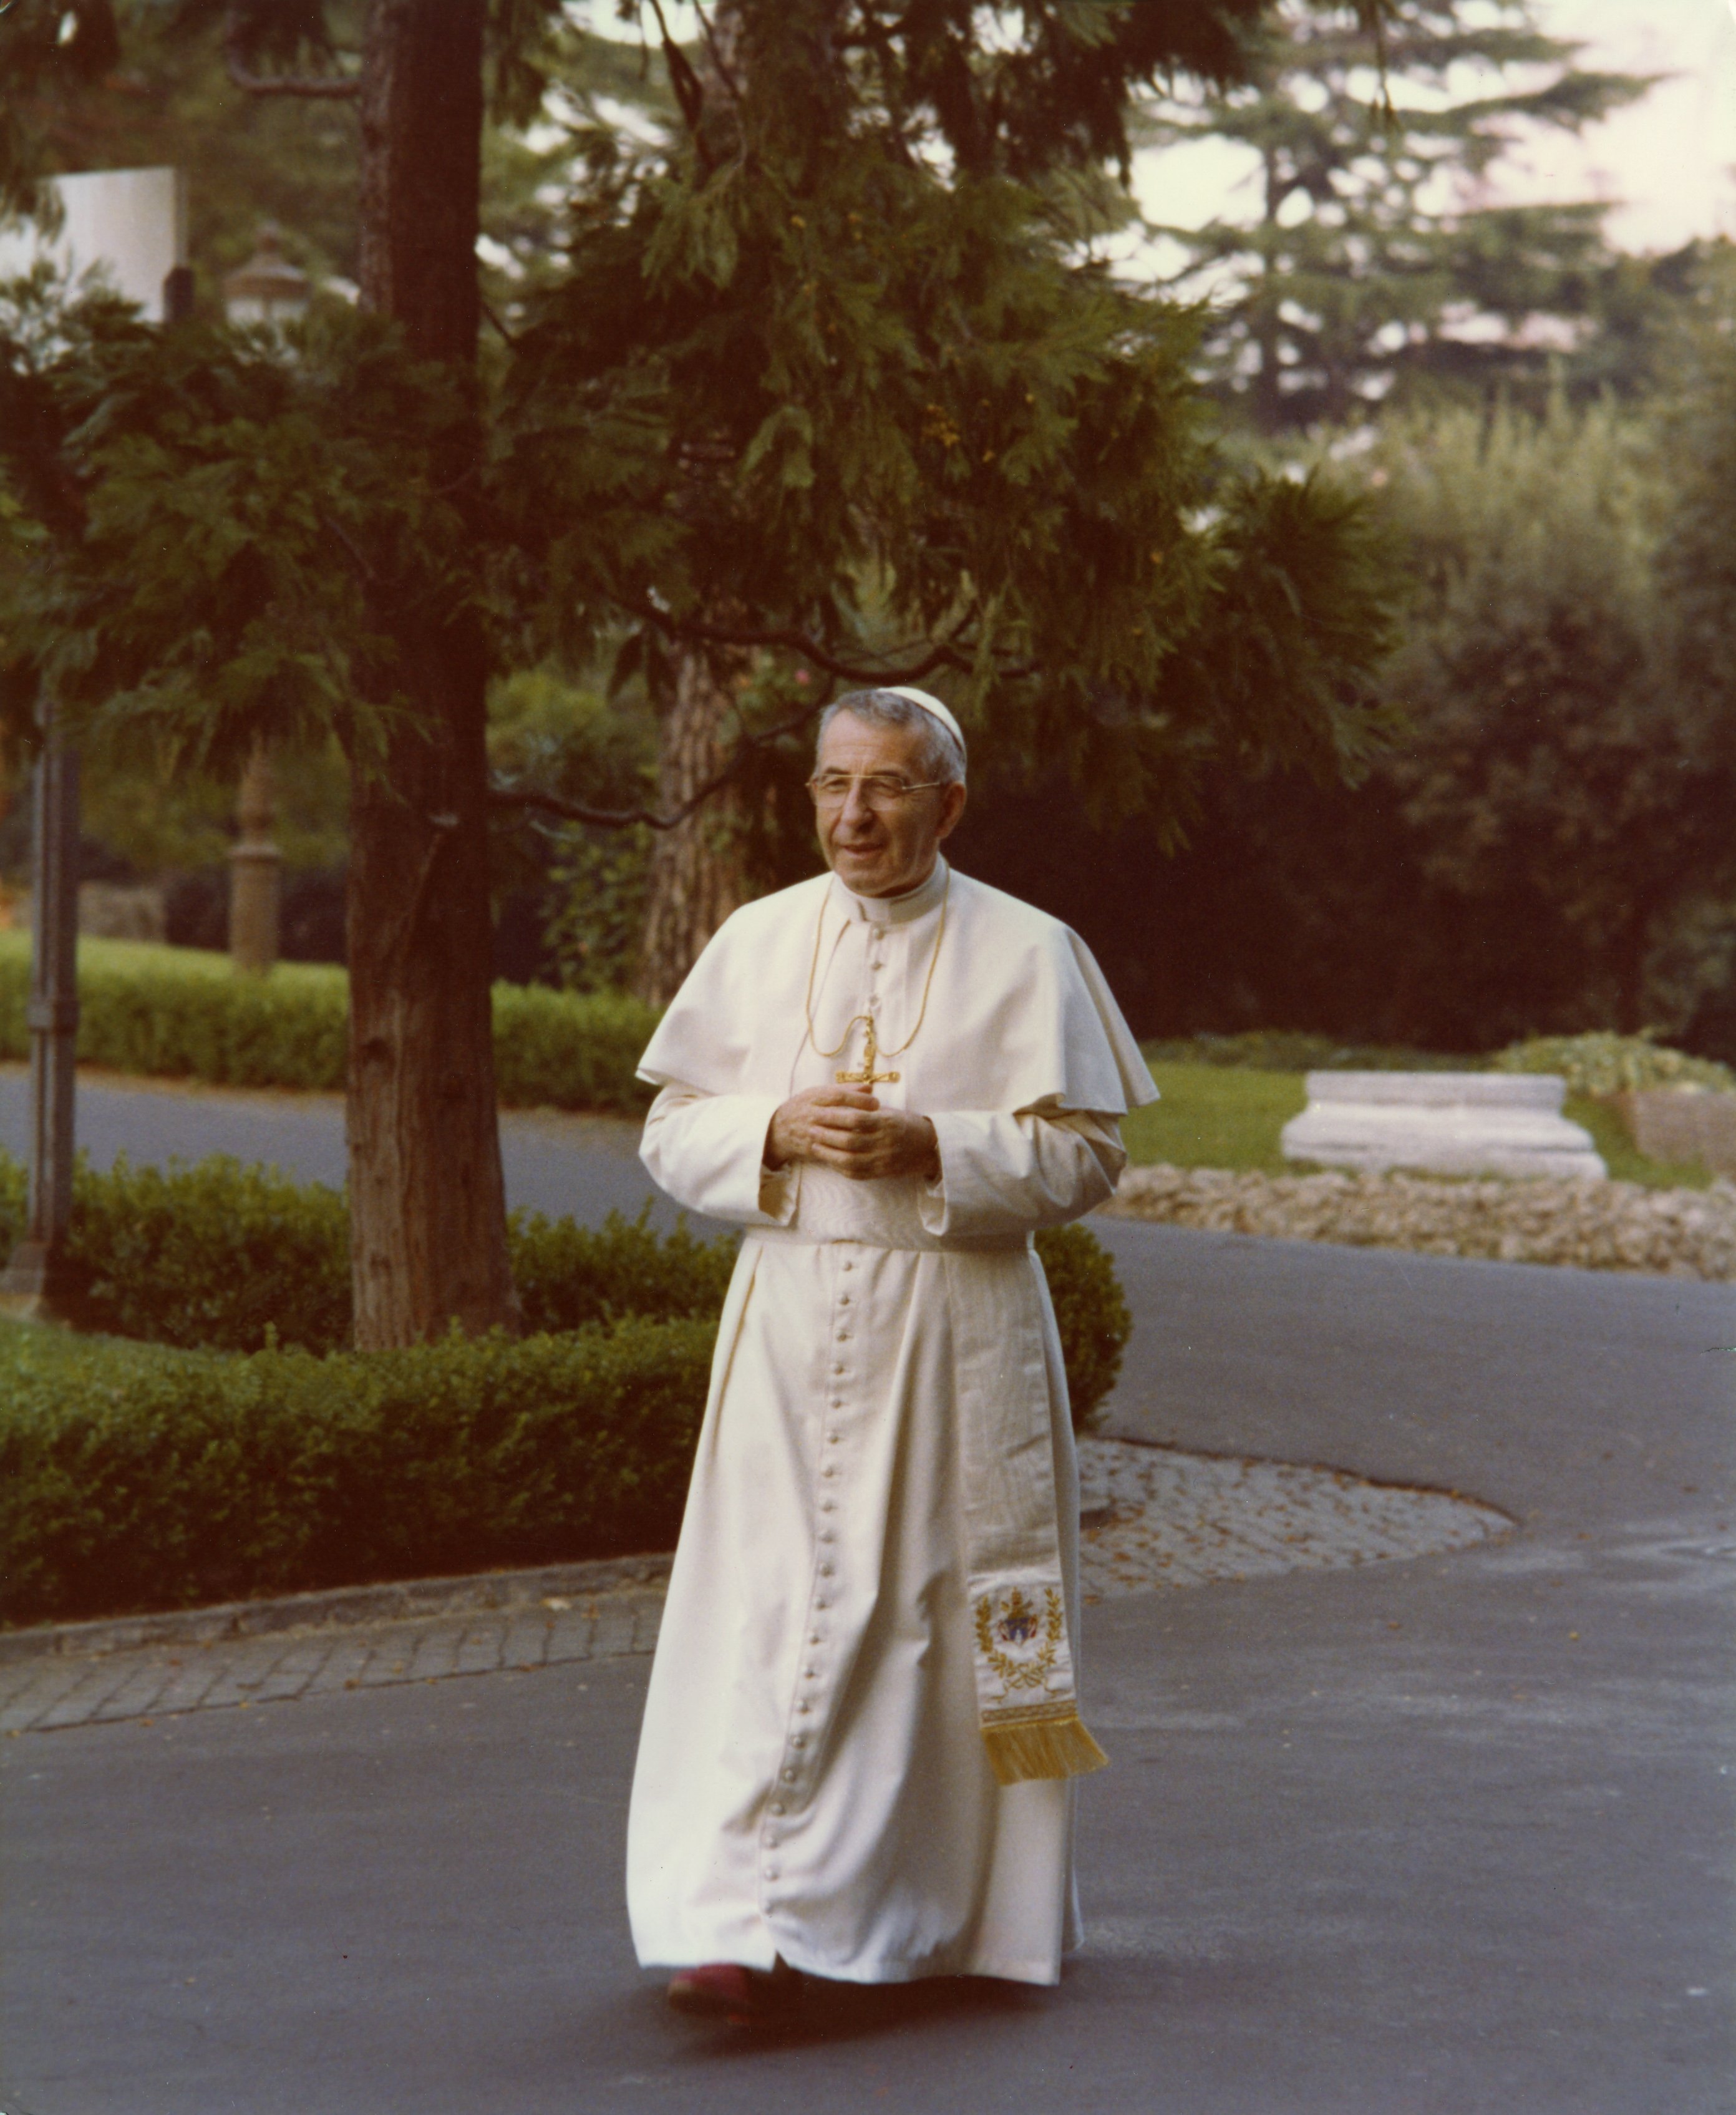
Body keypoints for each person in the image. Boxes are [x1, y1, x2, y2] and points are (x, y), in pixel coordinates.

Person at [626, 685, 1157, 2020]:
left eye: (889, 787)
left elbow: (1092, 1154)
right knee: (764, 1614)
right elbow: (670, 1129)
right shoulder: (757, 938)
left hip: (953, 1327)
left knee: (923, 1616)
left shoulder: (1032, 951)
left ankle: (925, 1917)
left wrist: (941, 1146)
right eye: (832, 786)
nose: (855, 815)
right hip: (789, 1326)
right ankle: (732, 1918)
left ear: (949, 803)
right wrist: (774, 1132)